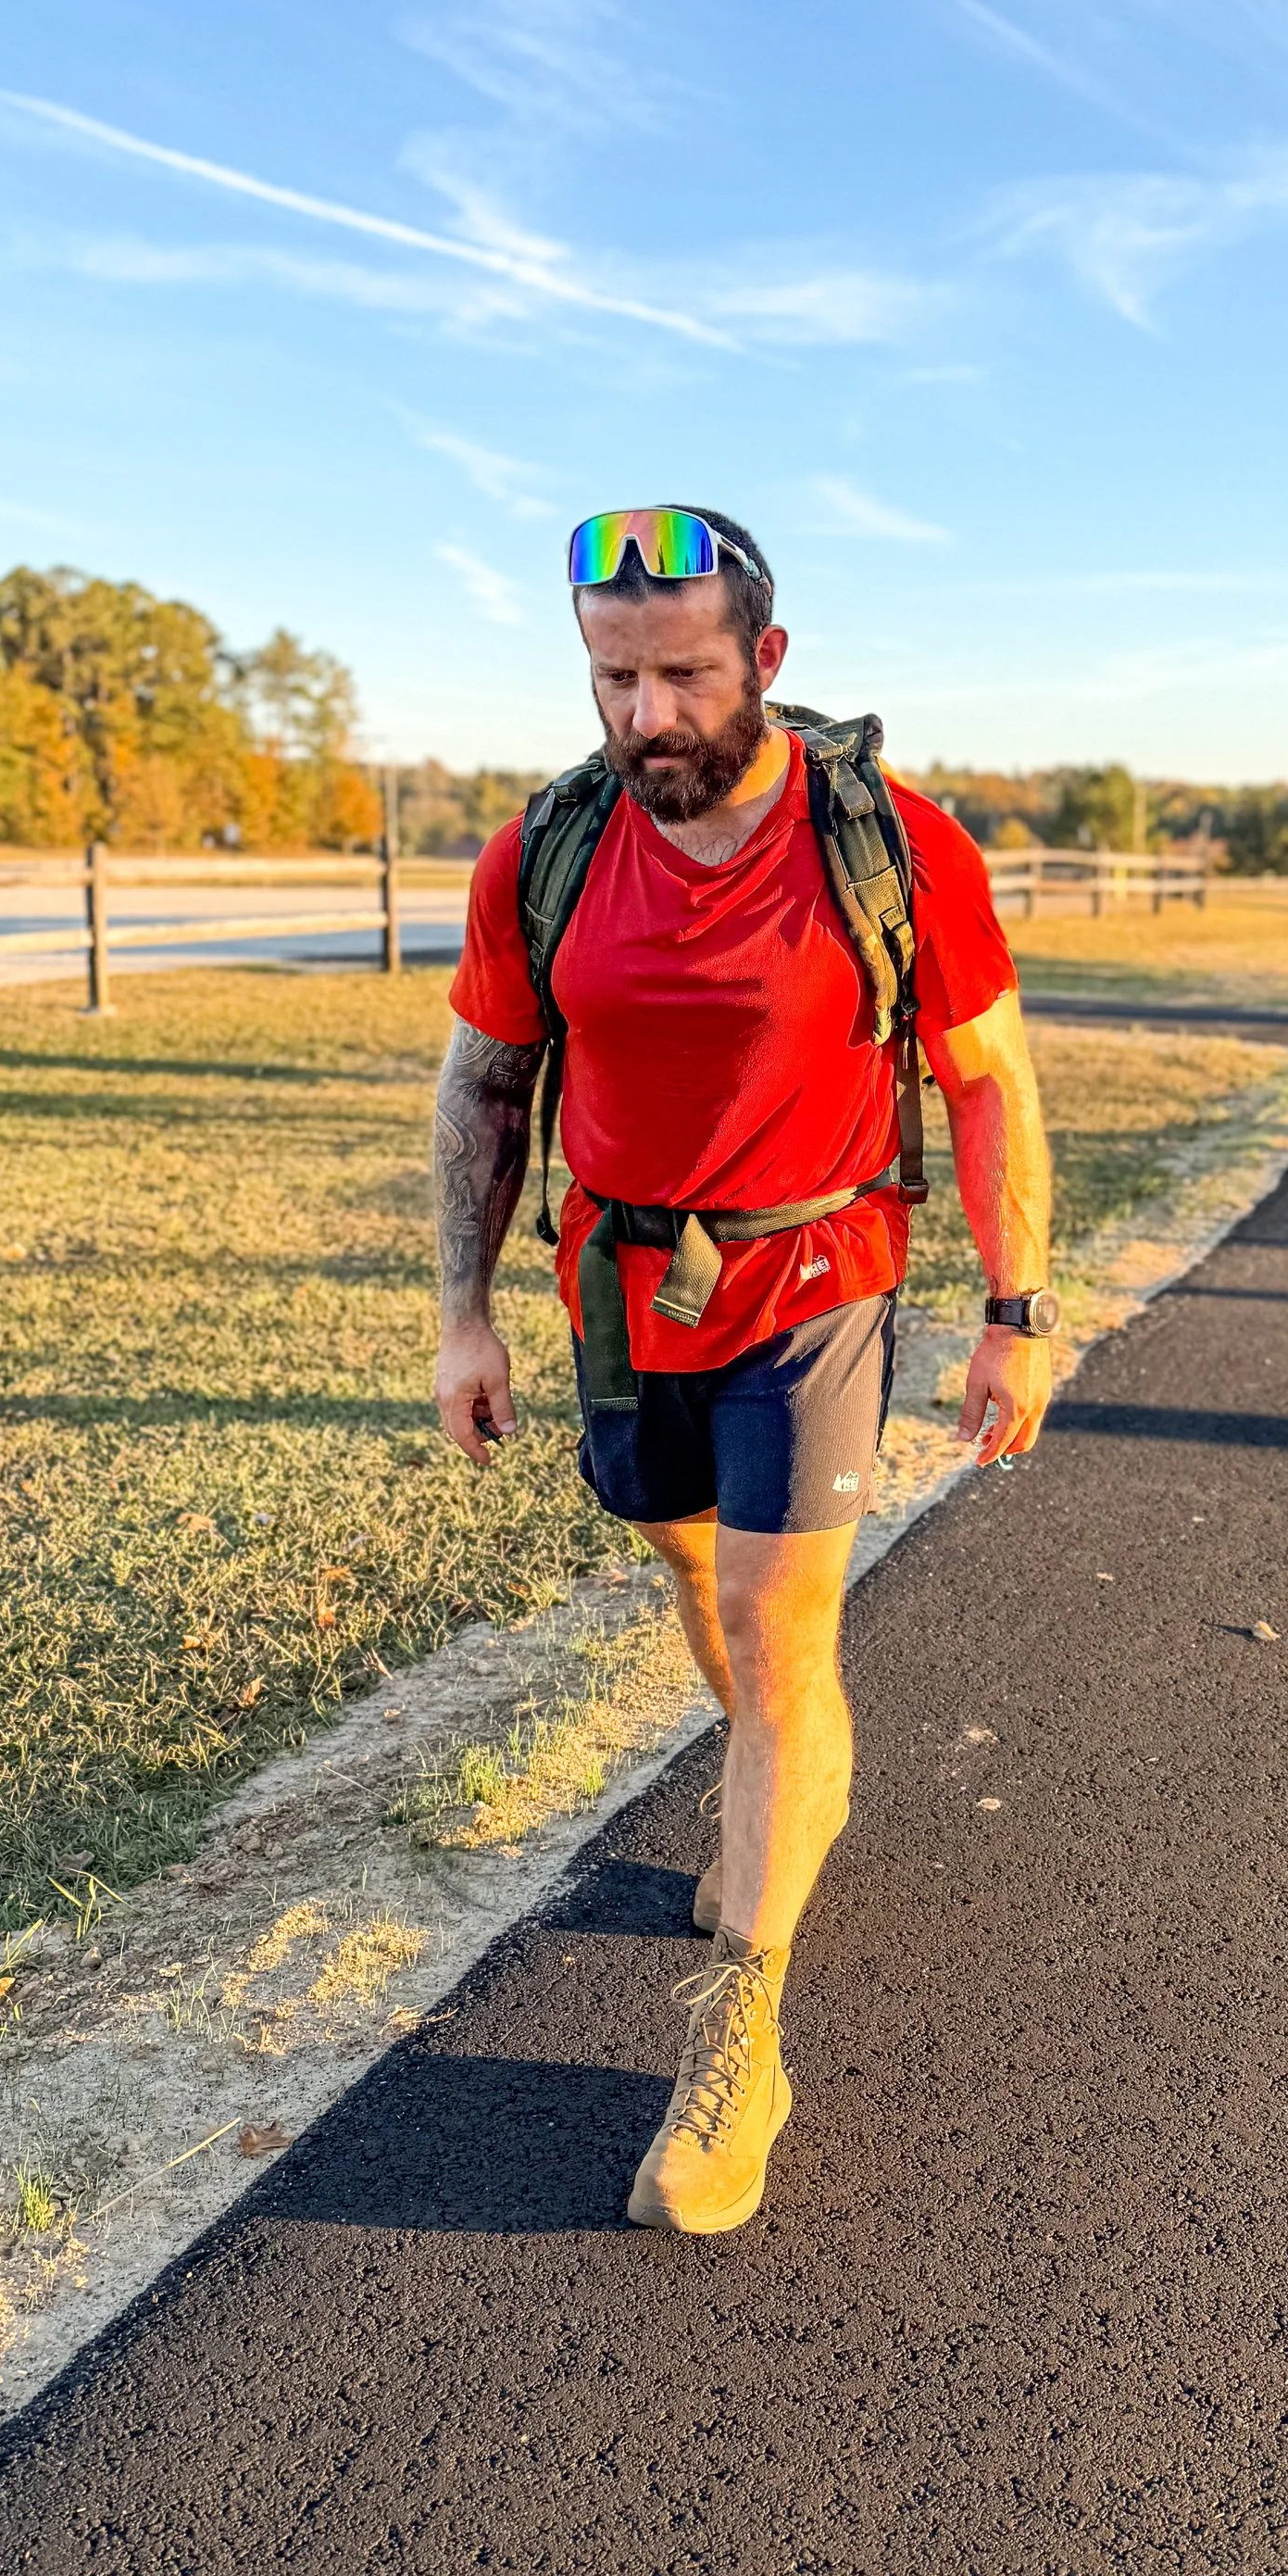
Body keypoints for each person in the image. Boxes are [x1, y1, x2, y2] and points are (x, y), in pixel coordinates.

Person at [432, 505, 1057, 2235]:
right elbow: (485, 1089)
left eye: (682, 674)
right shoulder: (544, 852)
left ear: (767, 663)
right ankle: (781, 1769)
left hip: (816, 1277)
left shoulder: (897, 849)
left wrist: (1015, 1309)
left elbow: (991, 1078)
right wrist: (464, 1312)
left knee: (786, 1641)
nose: (644, 716)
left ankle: (744, 2037)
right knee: (693, 1569)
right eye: (612, 677)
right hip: (626, 1295)